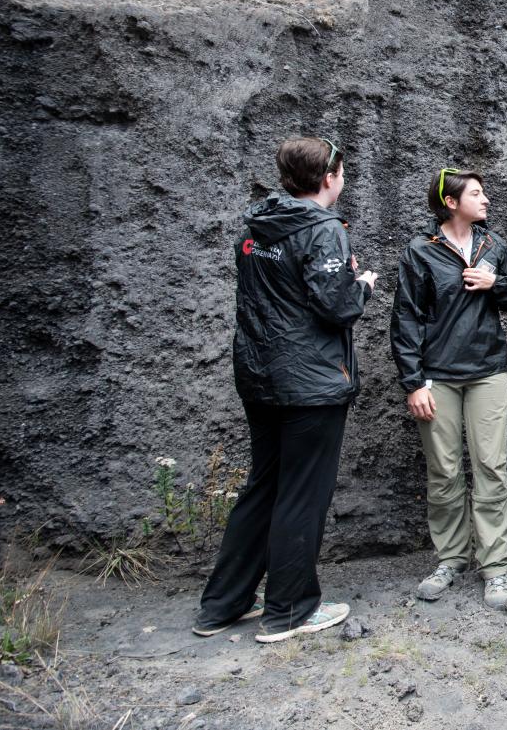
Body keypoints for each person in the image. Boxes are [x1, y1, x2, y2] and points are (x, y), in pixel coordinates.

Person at [193, 136, 377, 644]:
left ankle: (223, 605)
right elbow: (336, 307)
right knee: (301, 494)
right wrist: (361, 283)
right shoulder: (323, 230)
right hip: (310, 384)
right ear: (328, 178)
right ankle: (291, 610)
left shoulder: (258, 228)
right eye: (341, 171)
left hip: (258, 377)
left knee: (264, 487)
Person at [391, 168, 507, 608]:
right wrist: (414, 383)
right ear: (451, 202)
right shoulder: (420, 252)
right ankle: (451, 558)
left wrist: (497, 283)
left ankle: (496, 568)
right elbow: (406, 318)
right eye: (476, 193)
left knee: (491, 468)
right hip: (438, 377)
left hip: (488, 371)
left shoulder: (493, 246)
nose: (485, 200)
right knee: (444, 471)